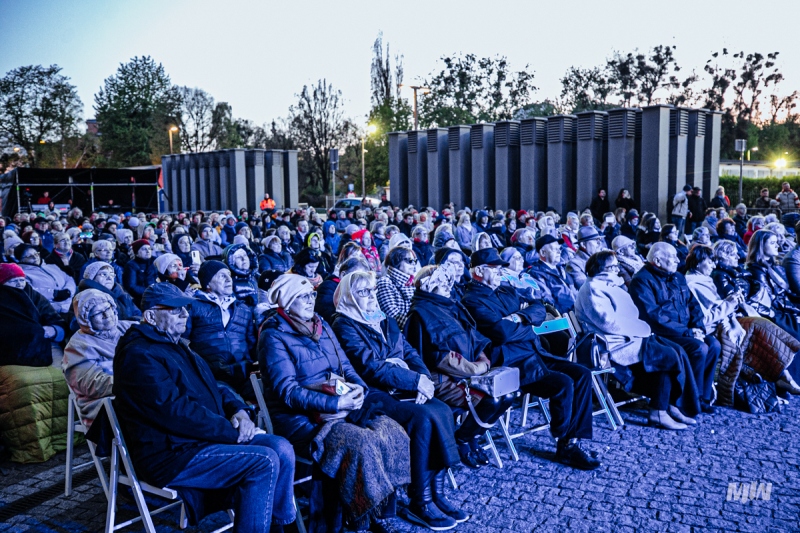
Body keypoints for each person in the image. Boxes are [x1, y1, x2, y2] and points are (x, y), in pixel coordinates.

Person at [113, 282, 296, 532]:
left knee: (282, 448)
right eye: (175, 309)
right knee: (263, 461)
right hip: (171, 453)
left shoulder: (176, 344)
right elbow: (175, 413)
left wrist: (240, 411)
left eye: (185, 308)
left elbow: (215, 386)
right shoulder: (139, 354)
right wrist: (231, 432)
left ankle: (278, 527)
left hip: (197, 440)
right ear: (151, 316)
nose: (184, 314)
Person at [258, 274, 410, 532]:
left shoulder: (322, 325)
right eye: (303, 296)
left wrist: (359, 389)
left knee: (391, 430)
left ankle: (376, 511)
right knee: (361, 443)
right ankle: (358, 515)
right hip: (302, 420)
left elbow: (346, 367)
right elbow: (288, 391)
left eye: (311, 294)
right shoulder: (273, 335)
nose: (311, 300)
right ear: (287, 302)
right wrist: (337, 403)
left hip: (339, 405)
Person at [332, 271, 466, 529]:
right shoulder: (344, 324)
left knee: (443, 409)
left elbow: (409, 351)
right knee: (423, 418)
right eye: (363, 292)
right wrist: (414, 381)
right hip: (373, 392)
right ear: (350, 296)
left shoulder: (383, 318)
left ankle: (436, 493)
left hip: (402, 384)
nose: (371, 296)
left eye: (372, 290)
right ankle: (420, 500)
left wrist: (423, 379)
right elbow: (370, 366)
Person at [462, 248, 600, 470]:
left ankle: (572, 441)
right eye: (495, 269)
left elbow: (539, 307)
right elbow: (501, 333)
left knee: (582, 374)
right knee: (563, 383)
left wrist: (518, 318)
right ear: (479, 271)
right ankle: (565, 443)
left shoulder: (505, 290)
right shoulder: (472, 300)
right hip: (514, 364)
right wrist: (528, 326)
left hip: (536, 353)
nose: (500, 273)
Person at [575, 251, 700, 430]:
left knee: (677, 351)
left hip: (631, 337)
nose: (617, 270)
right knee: (667, 356)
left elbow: (630, 315)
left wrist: (639, 329)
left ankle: (671, 404)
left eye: (616, 266)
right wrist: (641, 328)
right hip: (614, 343)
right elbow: (608, 322)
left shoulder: (611, 285)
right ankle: (658, 411)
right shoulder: (592, 288)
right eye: (613, 266)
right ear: (601, 268)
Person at [405, 265, 515, 466]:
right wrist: (476, 369)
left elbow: (473, 338)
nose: (449, 286)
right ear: (429, 286)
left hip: (470, 372)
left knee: (508, 395)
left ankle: (471, 436)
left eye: (449, 282)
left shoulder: (450, 306)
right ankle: (463, 439)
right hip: (442, 379)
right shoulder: (420, 313)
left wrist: (483, 361)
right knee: (491, 400)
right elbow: (438, 357)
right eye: (442, 283)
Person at [684, 245, 800, 402]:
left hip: (729, 320)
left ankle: (783, 375)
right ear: (698, 263)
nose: (713, 265)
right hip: (717, 327)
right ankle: (782, 376)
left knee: (761, 328)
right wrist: (730, 304)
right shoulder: (694, 283)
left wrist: (731, 303)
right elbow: (705, 318)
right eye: (710, 261)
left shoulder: (706, 279)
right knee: (758, 327)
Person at [629, 242, 721, 414]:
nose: (678, 261)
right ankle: (687, 401)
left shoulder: (678, 277)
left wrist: (698, 327)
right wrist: (687, 332)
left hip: (684, 330)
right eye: (672, 257)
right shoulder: (642, 280)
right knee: (699, 348)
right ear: (657, 260)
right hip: (662, 333)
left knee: (714, 345)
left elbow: (693, 305)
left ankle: (702, 397)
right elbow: (652, 316)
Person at [184, 261, 257, 402]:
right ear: (208, 283)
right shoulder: (192, 306)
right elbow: (183, 341)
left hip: (243, 374)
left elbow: (252, 344)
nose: (229, 279)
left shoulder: (243, 309)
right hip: (210, 376)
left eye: (229, 275)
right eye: (222, 276)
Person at [62, 289, 135, 426]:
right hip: (105, 402)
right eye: (97, 313)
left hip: (136, 390)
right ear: (86, 319)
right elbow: (92, 384)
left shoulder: (131, 328)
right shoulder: (78, 346)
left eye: (108, 308)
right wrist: (134, 381)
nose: (107, 315)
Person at [0, 263, 66, 367]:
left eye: (21, 280)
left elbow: (53, 317)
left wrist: (54, 330)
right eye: (13, 281)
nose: (19, 284)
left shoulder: (33, 296)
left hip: (41, 345)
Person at [745, 229, 800, 342]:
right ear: (761, 245)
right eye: (772, 243)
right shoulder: (756, 271)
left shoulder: (774, 266)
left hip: (786, 307)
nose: (777, 246)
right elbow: (771, 300)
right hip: (778, 313)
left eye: (776, 242)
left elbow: (787, 293)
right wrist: (795, 312)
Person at [15, 243, 76, 317]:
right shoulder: (23, 275)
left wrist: (69, 291)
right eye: (30, 256)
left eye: (36, 254)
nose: (35, 257)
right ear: (21, 260)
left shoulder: (52, 266)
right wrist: (54, 294)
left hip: (71, 303)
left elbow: (69, 279)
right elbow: (30, 292)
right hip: (52, 311)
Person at [527, 235, 576, 315]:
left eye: (559, 249)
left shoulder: (562, 268)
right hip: (567, 316)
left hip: (577, 311)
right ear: (543, 253)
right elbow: (549, 303)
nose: (559, 252)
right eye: (555, 249)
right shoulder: (536, 274)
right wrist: (571, 314)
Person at [376, 246, 419, 329]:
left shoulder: (413, 282)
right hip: (401, 331)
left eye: (415, 261)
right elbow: (392, 314)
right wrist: (418, 327)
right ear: (396, 261)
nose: (413, 264)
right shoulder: (385, 282)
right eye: (410, 261)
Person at [566, 226, 605, 291]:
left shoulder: (598, 258)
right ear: (583, 244)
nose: (599, 243)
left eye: (599, 240)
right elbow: (587, 287)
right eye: (595, 240)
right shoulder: (573, 264)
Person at [123, 239, 157, 308]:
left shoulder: (155, 262)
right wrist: (150, 292)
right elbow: (131, 287)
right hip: (141, 299)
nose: (147, 251)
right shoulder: (131, 265)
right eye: (144, 249)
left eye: (149, 249)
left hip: (157, 296)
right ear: (136, 253)